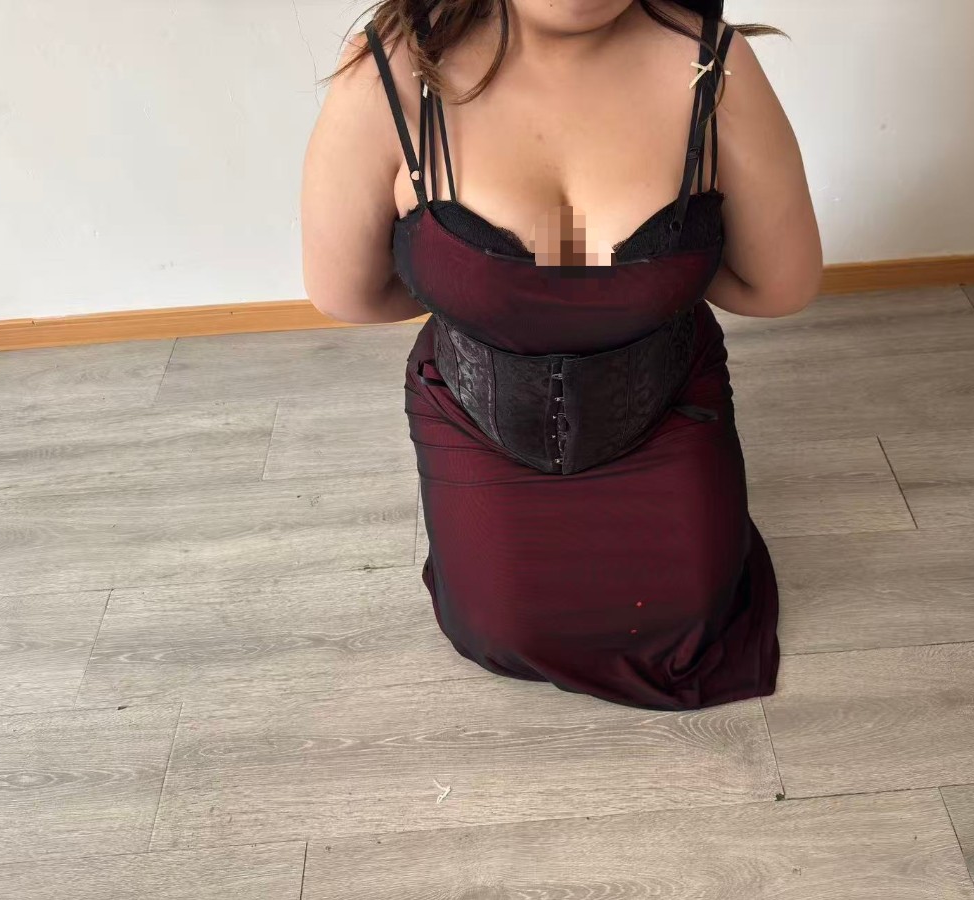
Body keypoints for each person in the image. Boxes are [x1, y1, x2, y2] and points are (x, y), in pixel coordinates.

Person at [300, 0, 822, 710]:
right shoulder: (390, 74)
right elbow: (349, 292)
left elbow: (780, 286)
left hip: (667, 410)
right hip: (479, 423)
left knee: (687, 625)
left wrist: (611, 290)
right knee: (502, 630)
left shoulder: (713, 63)